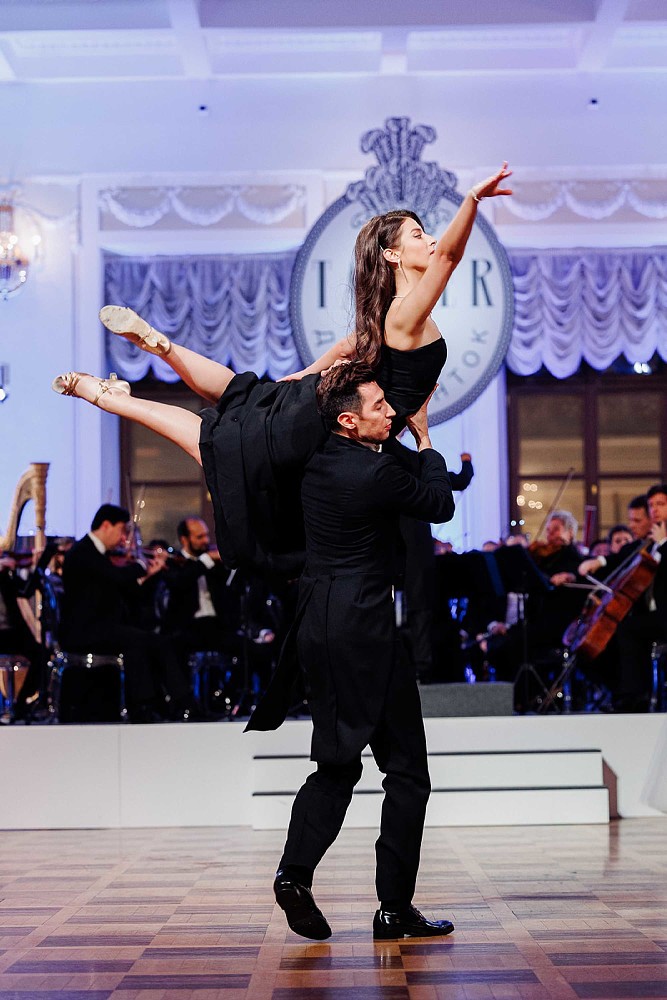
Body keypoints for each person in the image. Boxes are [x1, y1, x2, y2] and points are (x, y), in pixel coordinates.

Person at [52, 164, 512, 574]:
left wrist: (306, 373)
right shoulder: (406, 312)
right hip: (321, 427)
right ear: (392, 255)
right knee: (210, 443)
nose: (430, 240)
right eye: (418, 234)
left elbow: (349, 344)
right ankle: (109, 396)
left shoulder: (391, 311)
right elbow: (449, 257)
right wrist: (472, 198)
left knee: (238, 394)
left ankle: (165, 347)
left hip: (317, 407)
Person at [247, 363, 455, 941]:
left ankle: (302, 878)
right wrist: (425, 437)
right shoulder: (375, 473)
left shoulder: (317, 461)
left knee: (349, 767)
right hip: (362, 628)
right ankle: (385, 905)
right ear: (346, 420)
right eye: (379, 406)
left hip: (323, 622)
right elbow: (439, 504)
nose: (391, 412)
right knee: (396, 771)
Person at [60, 504, 200, 722]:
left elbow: (130, 591)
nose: (124, 538)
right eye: (122, 530)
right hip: (86, 631)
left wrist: (151, 574)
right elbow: (115, 577)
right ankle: (173, 704)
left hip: (104, 628)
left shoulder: (98, 554)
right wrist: (141, 565)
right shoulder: (83, 552)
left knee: (146, 642)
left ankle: (153, 706)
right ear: (106, 526)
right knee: (147, 642)